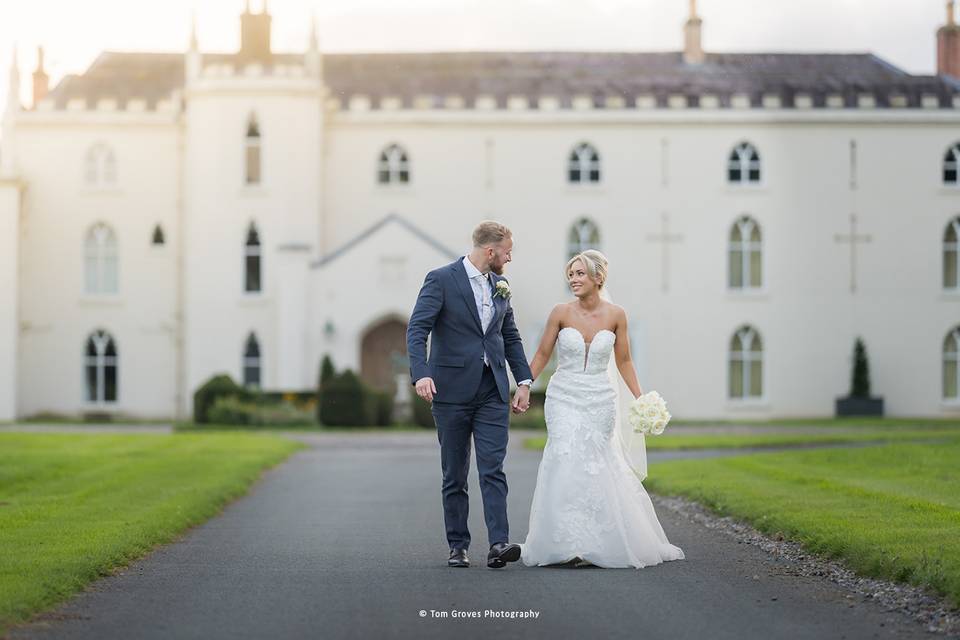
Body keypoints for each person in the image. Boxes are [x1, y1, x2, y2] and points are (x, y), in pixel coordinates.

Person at [518, 250, 685, 568]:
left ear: (598, 278)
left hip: (599, 398)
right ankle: (566, 542)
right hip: (563, 395)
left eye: (580, 273)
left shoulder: (617, 315)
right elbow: (541, 354)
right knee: (564, 456)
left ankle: (597, 542)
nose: (573, 279)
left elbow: (624, 361)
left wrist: (640, 398)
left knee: (596, 461)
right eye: (570, 274)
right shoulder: (559, 312)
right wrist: (525, 385)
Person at [407, 221, 534, 569]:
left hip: (492, 390)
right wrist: (421, 374)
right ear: (490, 251)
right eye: (507, 251)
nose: (509, 258)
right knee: (455, 474)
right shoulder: (441, 279)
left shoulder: (501, 285)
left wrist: (523, 381)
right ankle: (458, 546)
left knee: (493, 468)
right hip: (450, 392)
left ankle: (498, 544)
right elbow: (417, 329)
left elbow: (511, 337)